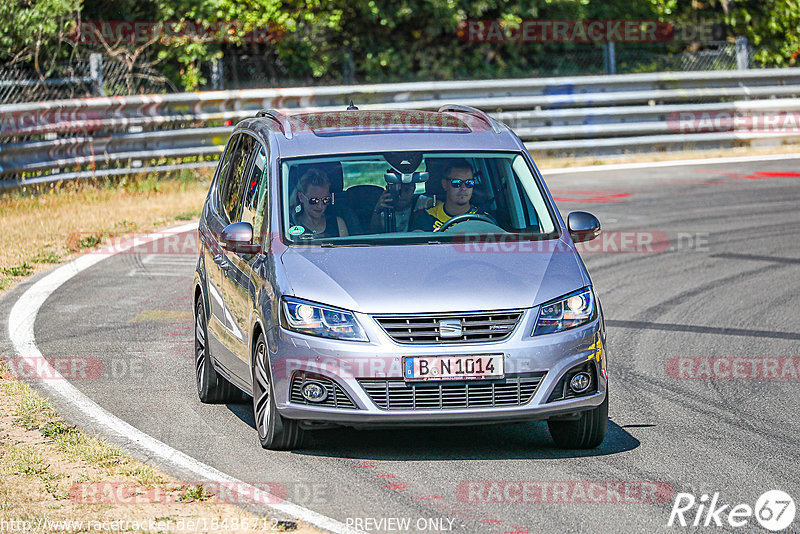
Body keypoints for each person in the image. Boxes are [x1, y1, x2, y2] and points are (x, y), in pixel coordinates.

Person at [410, 159, 490, 232]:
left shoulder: (483, 219)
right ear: (444, 184)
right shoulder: (426, 217)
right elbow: (416, 243)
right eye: (456, 183)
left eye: (469, 183)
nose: (463, 188)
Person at [291, 169, 348, 238]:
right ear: (301, 197)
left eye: (325, 200)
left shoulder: (338, 224)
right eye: (314, 200)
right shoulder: (291, 225)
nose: (320, 206)